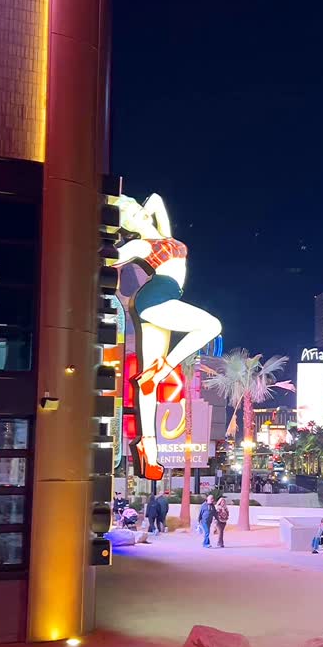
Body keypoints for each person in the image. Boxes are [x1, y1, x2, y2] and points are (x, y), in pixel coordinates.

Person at [113, 192, 221, 481]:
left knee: (146, 386)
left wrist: (130, 207)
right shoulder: (139, 243)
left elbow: (158, 200)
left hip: (166, 298)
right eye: (133, 217)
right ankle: (164, 369)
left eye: (138, 210)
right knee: (211, 326)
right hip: (157, 297)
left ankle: (150, 453)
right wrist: (115, 232)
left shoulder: (164, 235)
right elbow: (112, 258)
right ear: (129, 228)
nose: (142, 215)